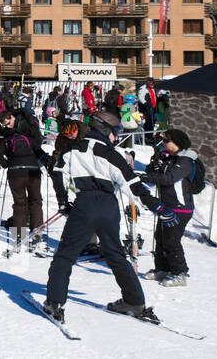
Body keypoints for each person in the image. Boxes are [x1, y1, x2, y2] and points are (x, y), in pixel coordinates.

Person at [41, 110, 157, 325]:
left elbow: (57, 172)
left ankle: (54, 303)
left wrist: (63, 201)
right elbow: (131, 183)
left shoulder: (72, 149)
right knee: (115, 255)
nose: (116, 137)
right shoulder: (111, 154)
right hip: (108, 205)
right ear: (105, 130)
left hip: (85, 204)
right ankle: (135, 302)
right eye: (115, 132)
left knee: (66, 256)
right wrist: (153, 204)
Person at [139, 129, 201, 287]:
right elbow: (154, 173)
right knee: (159, 237)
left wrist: (148, 176)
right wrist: (154, 165)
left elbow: (169, 178)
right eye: (163, 141)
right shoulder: (169, 158)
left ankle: (180, 272)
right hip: (167, 205)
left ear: (178, 143)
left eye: (167, 141)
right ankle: (163, 268)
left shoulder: (185, 161)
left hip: (180, 207)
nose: (163, 144)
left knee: (171, 241)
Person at [0, 107, 46, 249]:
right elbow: (38, 145)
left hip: (15, 172)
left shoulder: (10, 137)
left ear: (12, 117)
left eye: (8, 123)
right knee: (36, 201)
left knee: (19, 203)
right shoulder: (28, 136)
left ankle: (19, 234)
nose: (7, 126)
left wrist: (6, 164)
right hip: (33, 170)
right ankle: (37, 233)